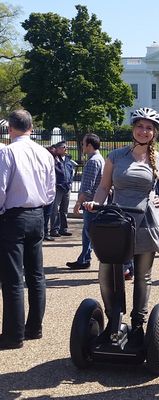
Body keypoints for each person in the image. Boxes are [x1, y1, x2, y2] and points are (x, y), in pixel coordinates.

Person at [84, 107, 159, 344]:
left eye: (149, 128)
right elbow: (104, 187)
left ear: (154, 133)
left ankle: (138, 325)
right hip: (118, 221)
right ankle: (113, 320)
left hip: (145, 221)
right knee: (106, 273)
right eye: (140, 126)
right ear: (133, 129)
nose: (144, 131)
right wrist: (95, 203)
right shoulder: (116, 156)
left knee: (142, 276)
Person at [0, 109, 55, 349]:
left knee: (13, 278)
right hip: (37, 214)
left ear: (10, 128)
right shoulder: (44, 153)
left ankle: (14, 335)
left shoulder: (7, 152)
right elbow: (51, 191)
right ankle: (35, 327)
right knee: (36, 274)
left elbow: (0, 188)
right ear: (31, 128)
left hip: (14, 216)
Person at [66, 133, 105, 269]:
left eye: (83, 143)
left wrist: (78, 203)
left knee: (91, 233)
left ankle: (107, 258)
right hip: (96, 203)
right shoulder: (100, 159)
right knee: (87, 233)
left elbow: (87, 187)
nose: (82, 146)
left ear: (89, 145)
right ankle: (84, 258)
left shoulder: (93, 161)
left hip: (90, 204)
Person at [50, 140, 75, 237]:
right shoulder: (54, 159)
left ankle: (63, 229)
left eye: (66, 147)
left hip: (67, 187)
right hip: (58, 187)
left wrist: (70, 182)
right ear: (58, 149)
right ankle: (54, 230)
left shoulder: (68, 160)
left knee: (64, 210)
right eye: (63, 147)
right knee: (55, 209)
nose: (66, 148)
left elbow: (71, 172)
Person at [43, 145, 57, 241]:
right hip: (43, 193)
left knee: (47, 215)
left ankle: (45, 232)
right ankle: (43, 233)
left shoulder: (55, 162)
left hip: (50, 193)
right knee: (44, 215)